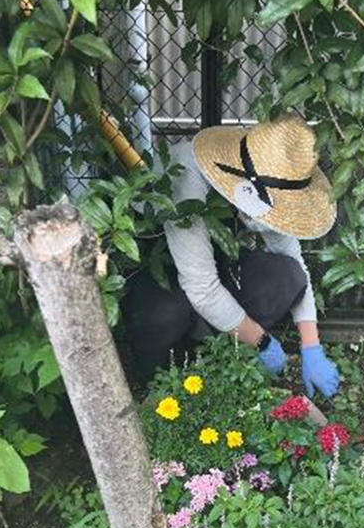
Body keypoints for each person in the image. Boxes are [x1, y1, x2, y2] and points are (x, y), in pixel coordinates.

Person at [123, 112, 341, 399]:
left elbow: (292, 257)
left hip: (214, 258)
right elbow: (200, 285)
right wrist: (263, 342)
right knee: (165, 312)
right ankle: (161, 382)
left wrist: (311, 347)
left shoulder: (272, 177)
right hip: (156, 269)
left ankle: (220, 344)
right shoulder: (187, 178)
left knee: (286, 276)